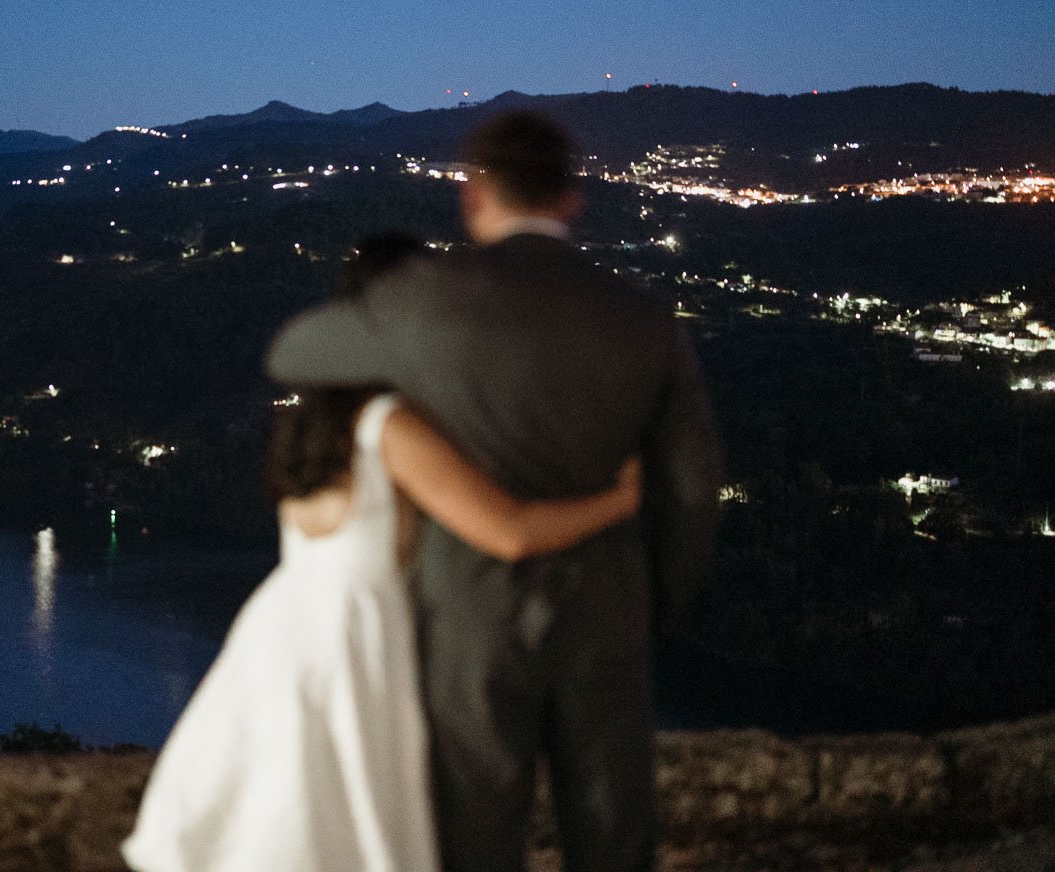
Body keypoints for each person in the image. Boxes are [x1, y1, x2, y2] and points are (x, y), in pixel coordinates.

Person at [266, 111, 725, 872]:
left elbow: (293, 353)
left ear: (475, 195)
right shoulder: (644, 316)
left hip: (467, 607)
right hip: (605, 600)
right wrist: (657, 599)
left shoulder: (430, 300)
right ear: (570, 198)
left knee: (472, 828)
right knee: (612, 829)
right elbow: (691, 482)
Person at [121, 237, 646, 872]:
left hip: (283, 628)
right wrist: (617, 501)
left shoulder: (311, 418)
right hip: (356, 638)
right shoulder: (389, 424)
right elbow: (508, 531)